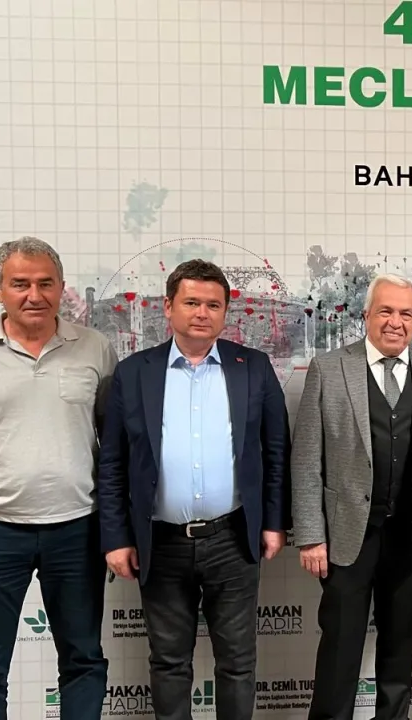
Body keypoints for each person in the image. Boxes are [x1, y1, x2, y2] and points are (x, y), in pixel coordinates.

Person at [0, 236, 117, 719]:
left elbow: (113, 443)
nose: (35, 295)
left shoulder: (95, 348)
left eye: (46, 283)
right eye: (21, 284)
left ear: (62, 288)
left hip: (77, 530)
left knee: (84, 658)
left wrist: (116, 529)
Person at [97, 259, 291, 720]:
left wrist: (274, 522)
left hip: (233, 539)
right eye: (191, 302)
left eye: (213, 305)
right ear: (168, 307)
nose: (202, 313)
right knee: (169, 663)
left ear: (225, 312)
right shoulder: (134, 373)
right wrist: (116, 538)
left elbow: (277, 451)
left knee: (238, 663)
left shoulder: (253, 368)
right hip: (160, 542)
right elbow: (112, 464)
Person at [291, 274, 412, 720]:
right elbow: (306, 459)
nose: (395, 322)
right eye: (385, 311)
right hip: (347, 536)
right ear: (366, 315)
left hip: (411, 536)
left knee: (399, 649)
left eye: (406, 314)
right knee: (340, 649)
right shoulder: (329, 369)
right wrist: (310, 535)